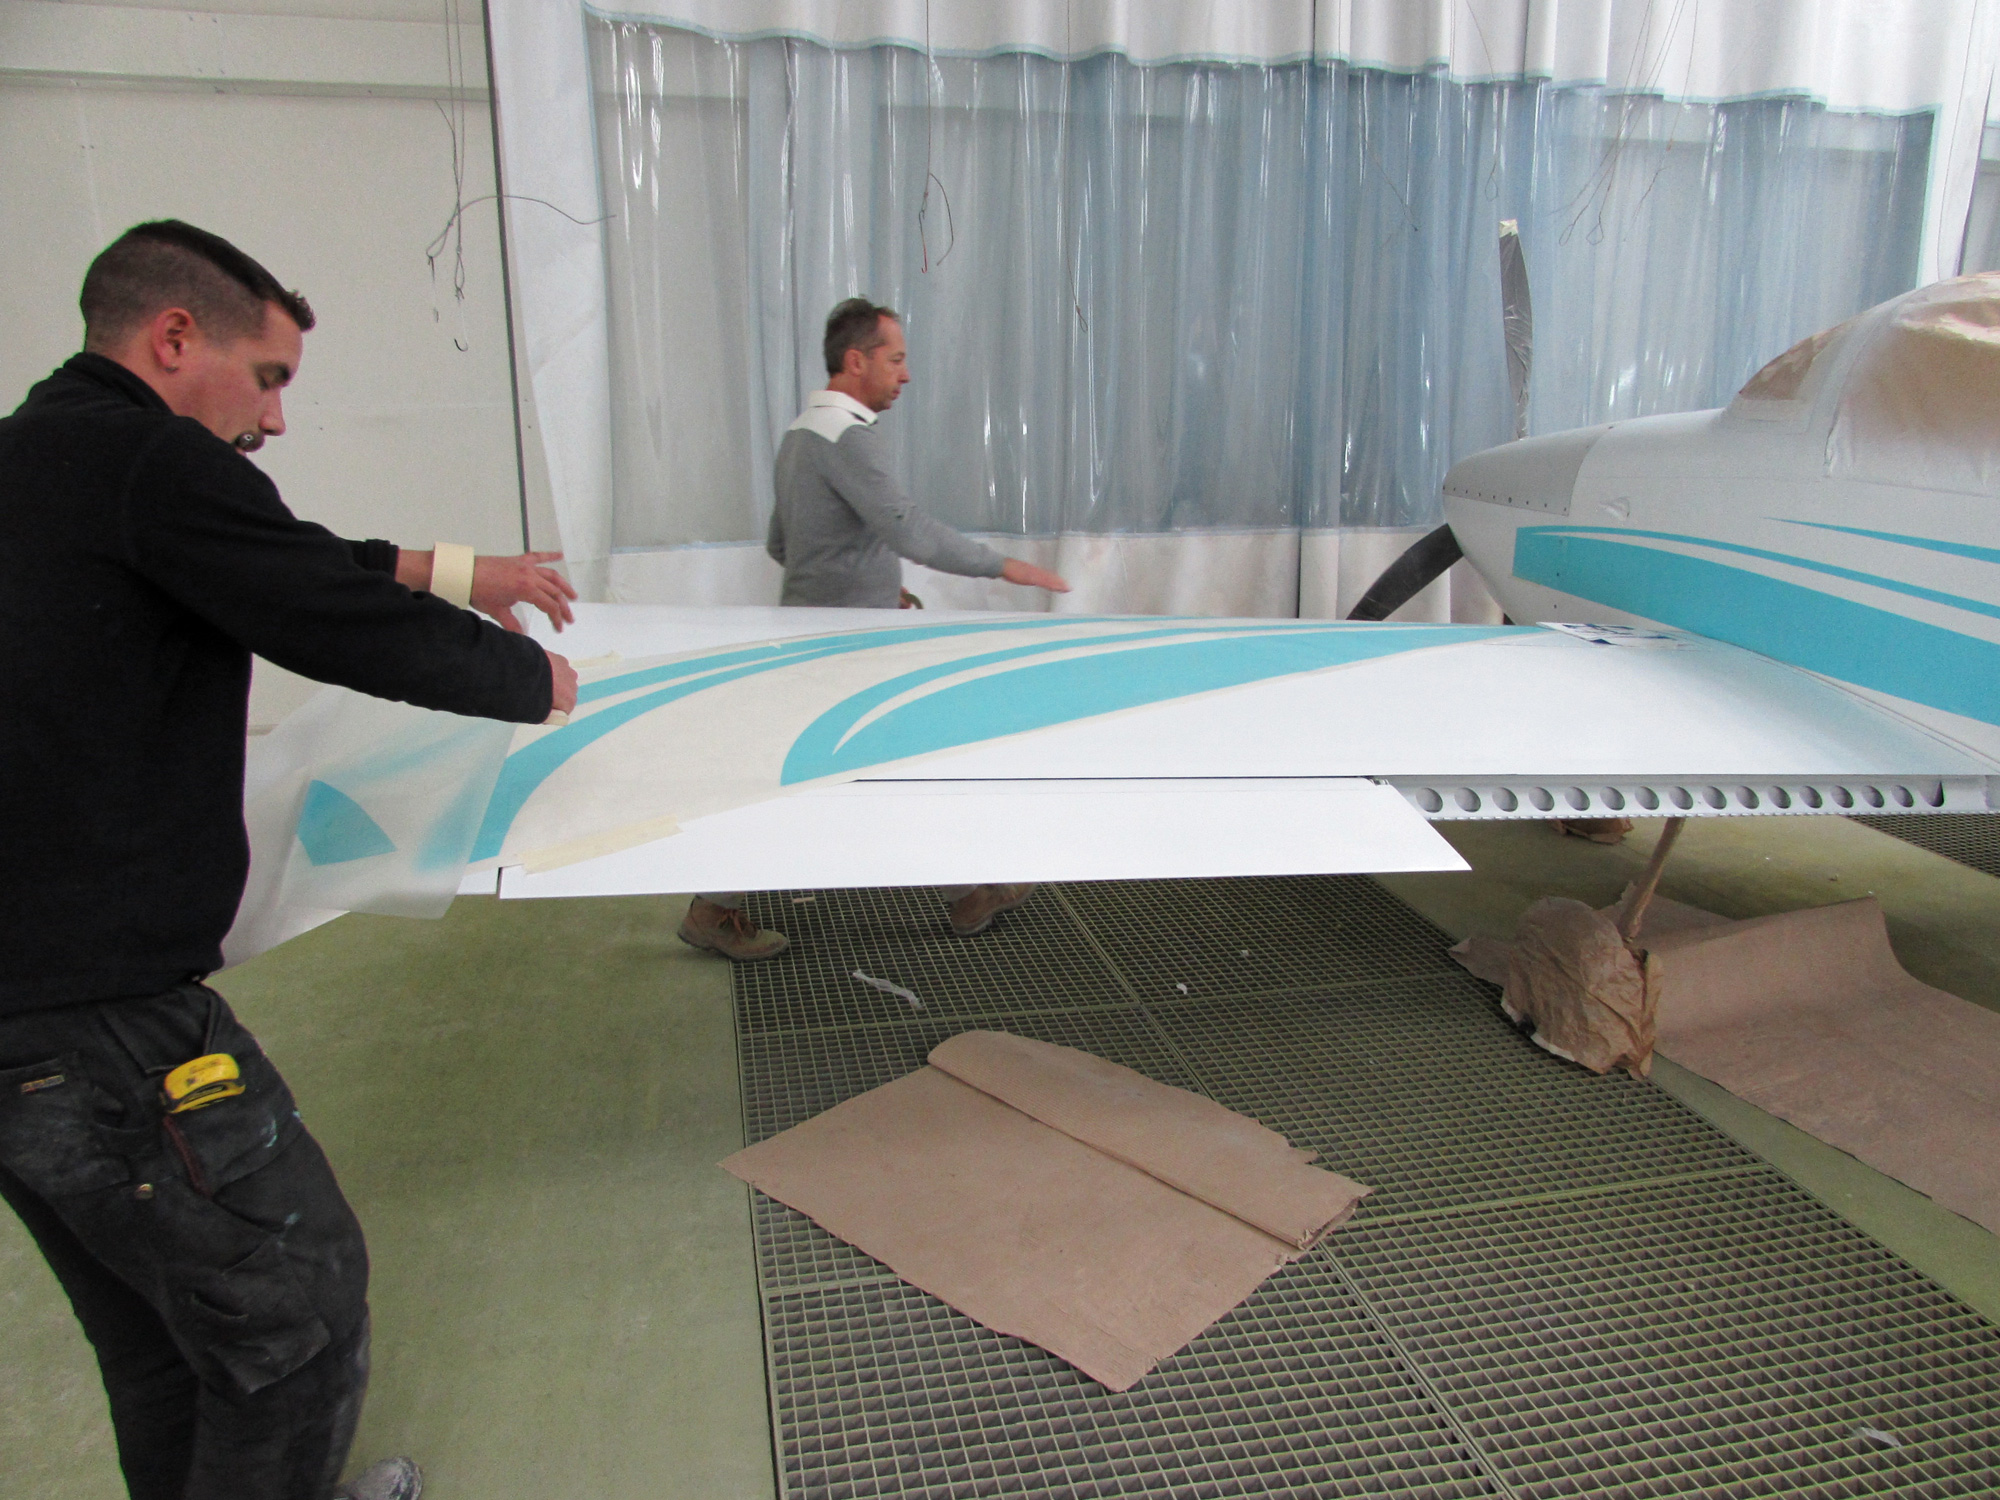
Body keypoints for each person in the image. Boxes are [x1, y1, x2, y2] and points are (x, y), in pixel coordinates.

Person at [0, 220, 581, 1500]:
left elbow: (272, 558)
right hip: (100, 1020)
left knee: (165, 1342)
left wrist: (454, 570)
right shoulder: (149, 460)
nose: (274, 418)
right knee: (294, 1323)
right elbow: (314, 604)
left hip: (25, 1016)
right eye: (267, 379)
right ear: (173, 338)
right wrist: (526, 677)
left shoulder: (43, 457)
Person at [676, 298, 1069, 961]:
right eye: (896, 359)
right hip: (844, 647)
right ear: (856, 361)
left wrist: (876, 586)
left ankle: (967, 893)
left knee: (869, 768)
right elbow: (910, 532)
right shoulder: (848, 437)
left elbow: (783, 544)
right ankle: (713, 909)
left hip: (817, 633)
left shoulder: (801, 434)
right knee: (846, 775)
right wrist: (1007, 567)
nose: (906, 374)